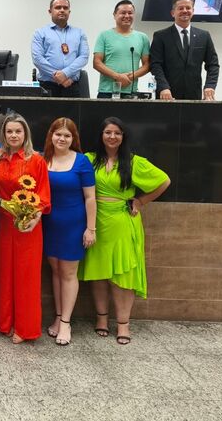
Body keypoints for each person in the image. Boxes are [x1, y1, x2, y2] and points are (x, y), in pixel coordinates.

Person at [80, 117, 170, 345]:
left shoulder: (134, 162)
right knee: (98, 274)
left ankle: (123, 324)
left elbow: (164, 181)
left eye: (117, 133)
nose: (112, 137)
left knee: (122, 276)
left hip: (122, 221)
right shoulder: (90, 160)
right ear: (101, 135)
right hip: (96, 221)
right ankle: (101, 319)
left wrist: (141, 201)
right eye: (108, 132)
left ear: (123, 137)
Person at [0, 113, 51, 343]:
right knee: (5, 274)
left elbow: (43, 194)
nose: (14, 135)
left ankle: (25, 328)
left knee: (26, 277)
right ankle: (5, 322)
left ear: (25, 133)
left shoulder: (35, 160)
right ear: (4, 135)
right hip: (4, 224)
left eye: (18, 131)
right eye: (9, 131)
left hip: (28, 225)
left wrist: (33, 218)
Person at [41, 117, 96, 346]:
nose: (61, 138)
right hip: (48, 224)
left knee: (69, 273)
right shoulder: (43, 160)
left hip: (73, 224)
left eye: (66, 135)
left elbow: (90, 197)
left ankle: (66, 323)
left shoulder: (81, 161)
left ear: (73, 139)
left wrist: (90, 228)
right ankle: (57, 317)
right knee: (55, 270)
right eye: (58, 134)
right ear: (51, 136)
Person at [149, 0, 220, 100]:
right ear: (173, 13)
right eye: (180, 8)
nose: (185, 11)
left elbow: (213, 64)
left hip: (194, 94)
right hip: (167, 94)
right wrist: (163, 87)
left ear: (193, 11)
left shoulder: (204, 36)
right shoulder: (161, 36)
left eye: (188, 8)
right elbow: (155, 65)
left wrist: (210, 85)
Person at [31, 0, 90, 97]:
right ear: (50, 11)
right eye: (58, 7)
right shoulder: (40, 33)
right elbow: (37, 58)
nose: (62, 10)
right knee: (46, 113)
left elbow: (83, 57)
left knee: (73, 113)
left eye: (65, 8)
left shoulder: (79, 33)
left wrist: (65, 74)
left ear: (69, 12)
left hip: (71, 85)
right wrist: (58, 76)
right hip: (47, 86)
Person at [93, 0, 151, 98]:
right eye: (123, 13)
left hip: (131, 92)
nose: (127, 16)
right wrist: (118, 77)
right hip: (107, 91)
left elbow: (147, 64)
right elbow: (97, 63)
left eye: (130, 13)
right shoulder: (104, 35)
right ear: (115, 15)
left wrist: (131, 76)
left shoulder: (143, 37)